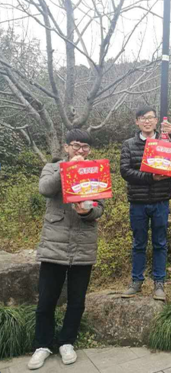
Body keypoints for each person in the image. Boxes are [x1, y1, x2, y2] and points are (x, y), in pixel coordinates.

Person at [28, 130, 105, 370]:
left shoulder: (95, 170)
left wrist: (88, 212)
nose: (80, 150)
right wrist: (68, 168)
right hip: (55, 242)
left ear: (89, 150)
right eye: (76, 145)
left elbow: (100, 206)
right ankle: (42, 345)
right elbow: (45, 189)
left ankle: (67, 342)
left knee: (77, 300)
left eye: (85, 147)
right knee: (47, 299)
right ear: (66, 147)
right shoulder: (53, 167)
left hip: (83, 243)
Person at [120, 106, 171, 301]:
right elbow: (125, 171)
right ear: (137, 121)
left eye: (150, 117)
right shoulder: (129, 144)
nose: (147, 121)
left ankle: (159, 282)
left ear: (157, 120)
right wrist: (150, 178)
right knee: (138, 243)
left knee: (160, 242)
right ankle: (136, 281)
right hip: (138, 202)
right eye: (143, 118)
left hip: (161, 200)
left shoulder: (166, 140)